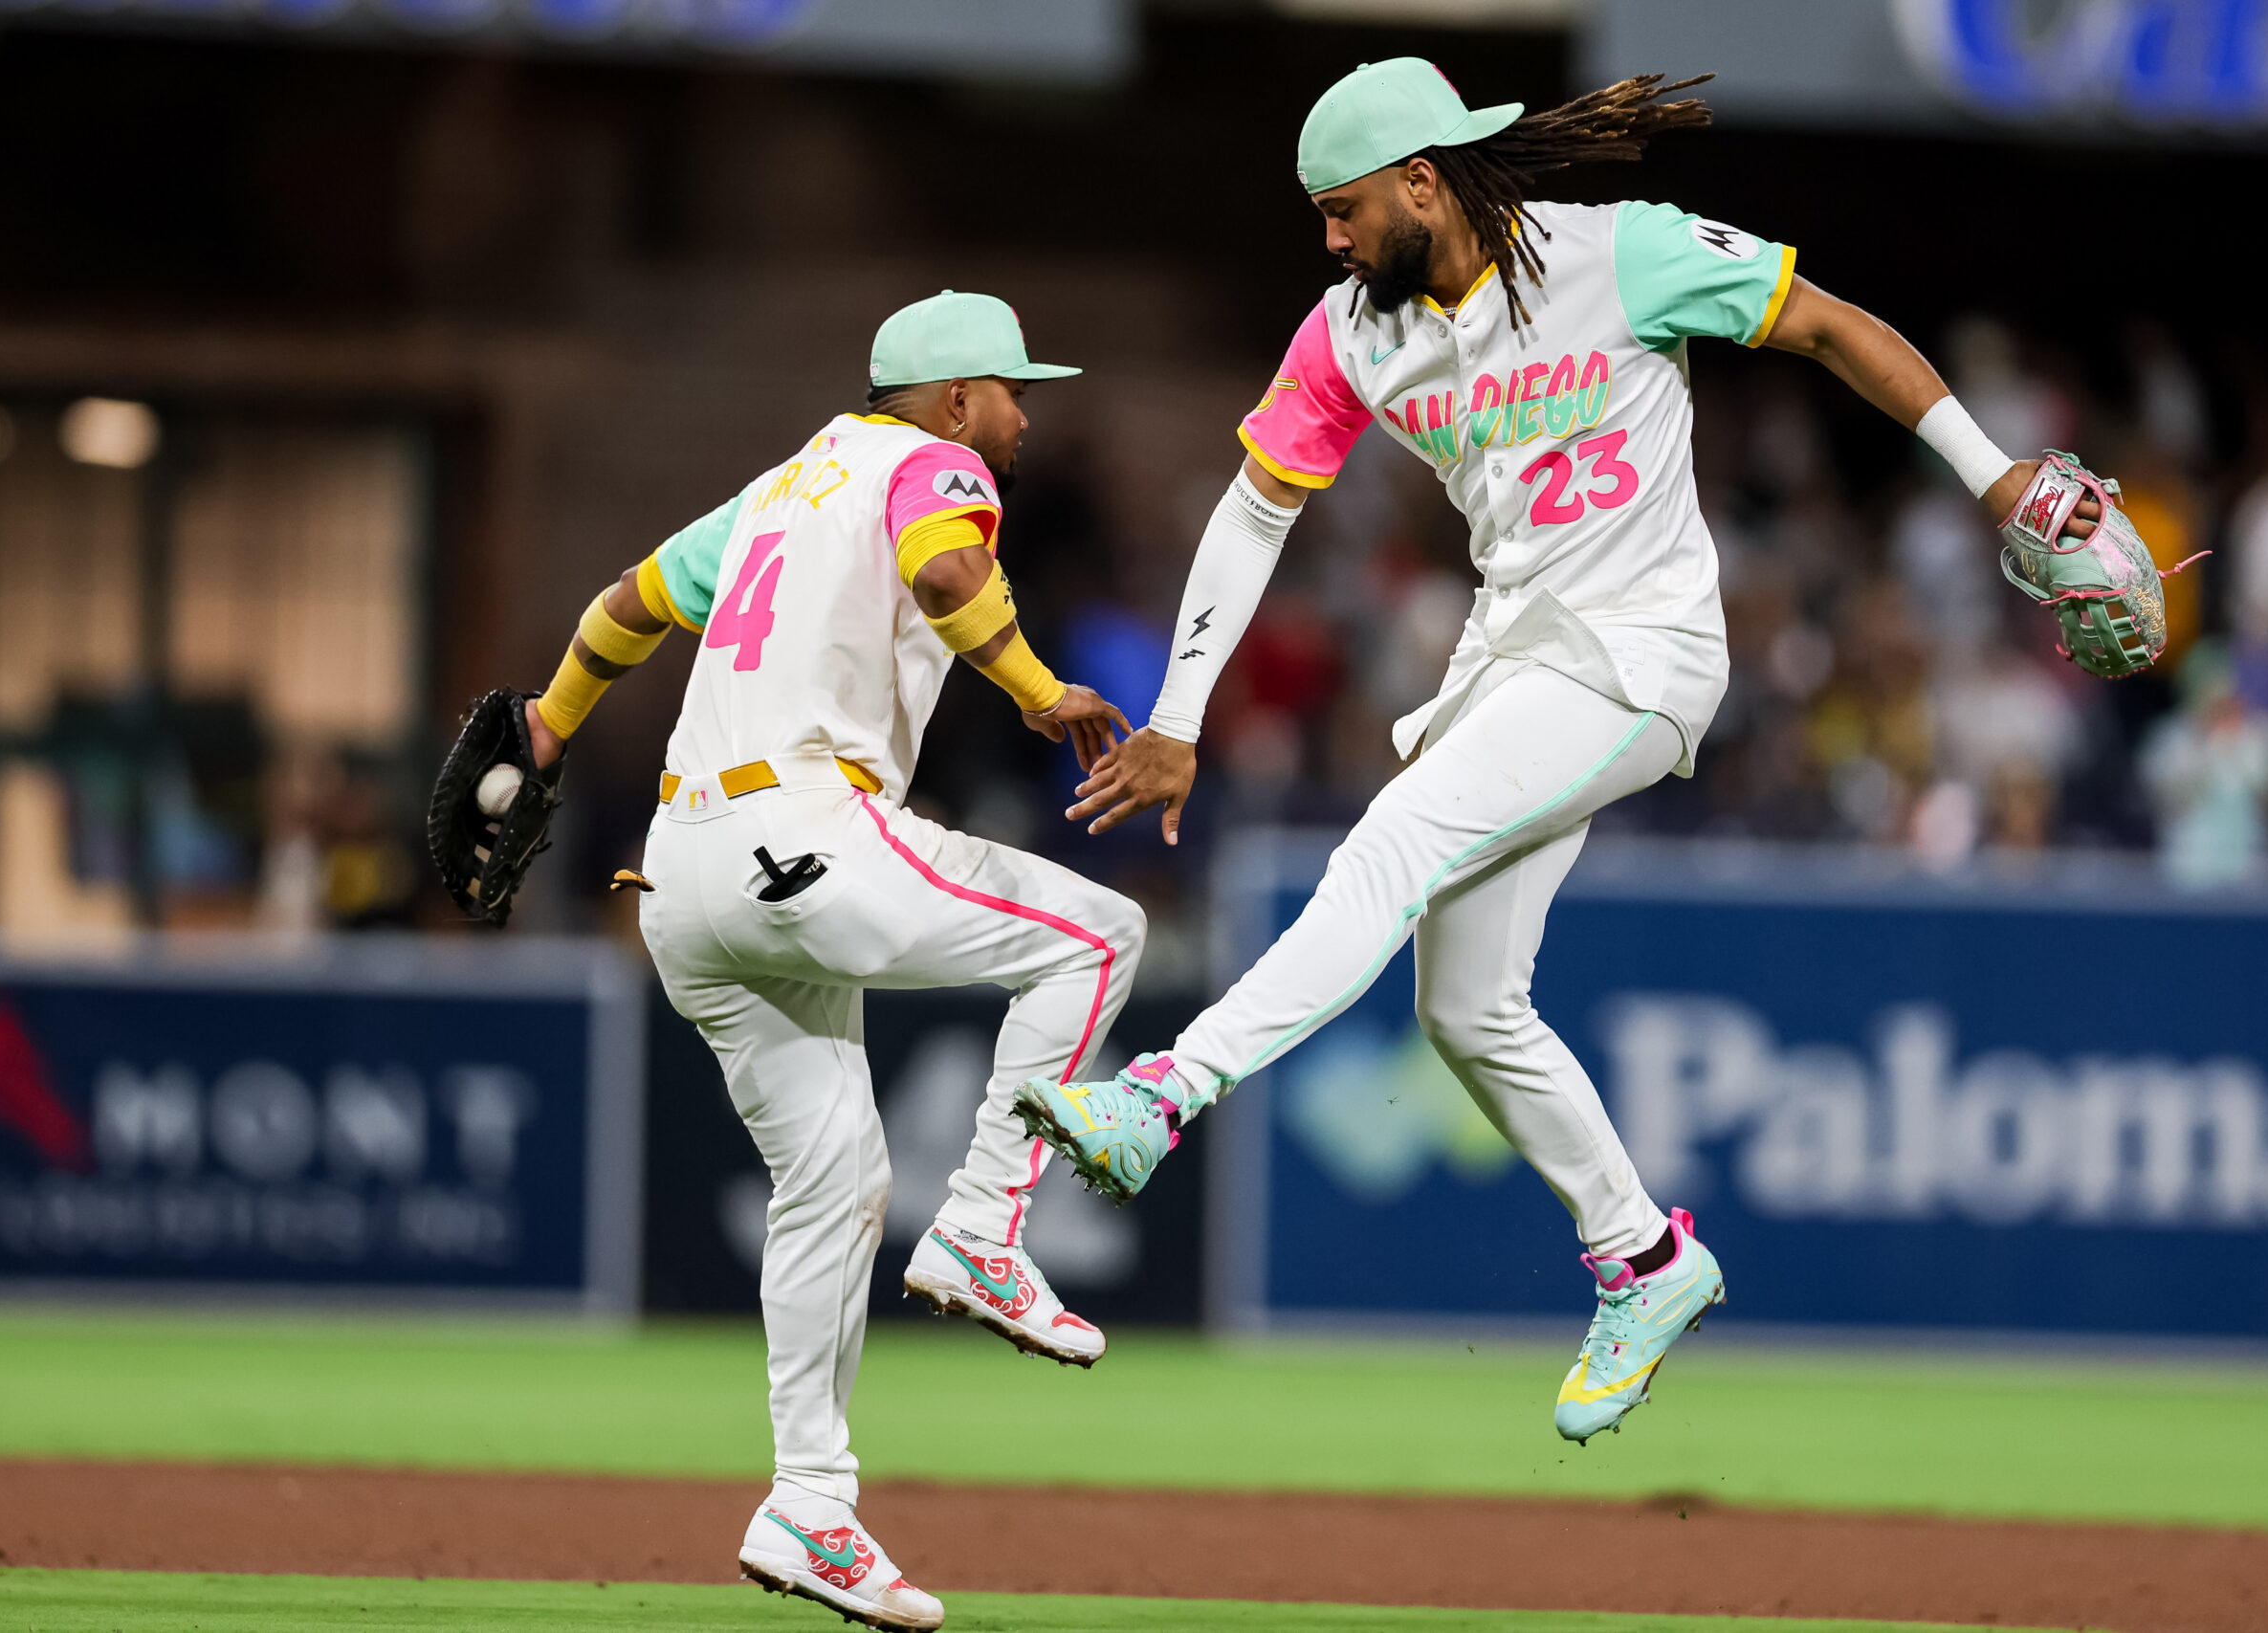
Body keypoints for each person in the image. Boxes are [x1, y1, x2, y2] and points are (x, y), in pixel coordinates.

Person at [1017, 60, 2091, 1447]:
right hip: (1515, 660)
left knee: (1393, 844)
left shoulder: (1623, 249)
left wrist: (1997, 473)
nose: (1329, 241)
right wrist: (1178, 714)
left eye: (1342, 211)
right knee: (1467, 1010)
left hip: (1643, 652)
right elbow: (1251, 514)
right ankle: (1644, 1259)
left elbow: (1827, 328)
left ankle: (1166, 1094)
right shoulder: (1352, 331)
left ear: (1422, 181)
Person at [520, 290, 1144, 1631]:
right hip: (803, 833)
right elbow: (943, 566)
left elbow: (620, 607)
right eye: (1012, 390)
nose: (1025, 415)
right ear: (956, 396)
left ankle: (808, 1505)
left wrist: (550, 730)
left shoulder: (776, 491)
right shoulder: (937, 463)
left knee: (838, 1177)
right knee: (1104, 934)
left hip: (682, 875)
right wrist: (1040, 691)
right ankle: (982, 1228)